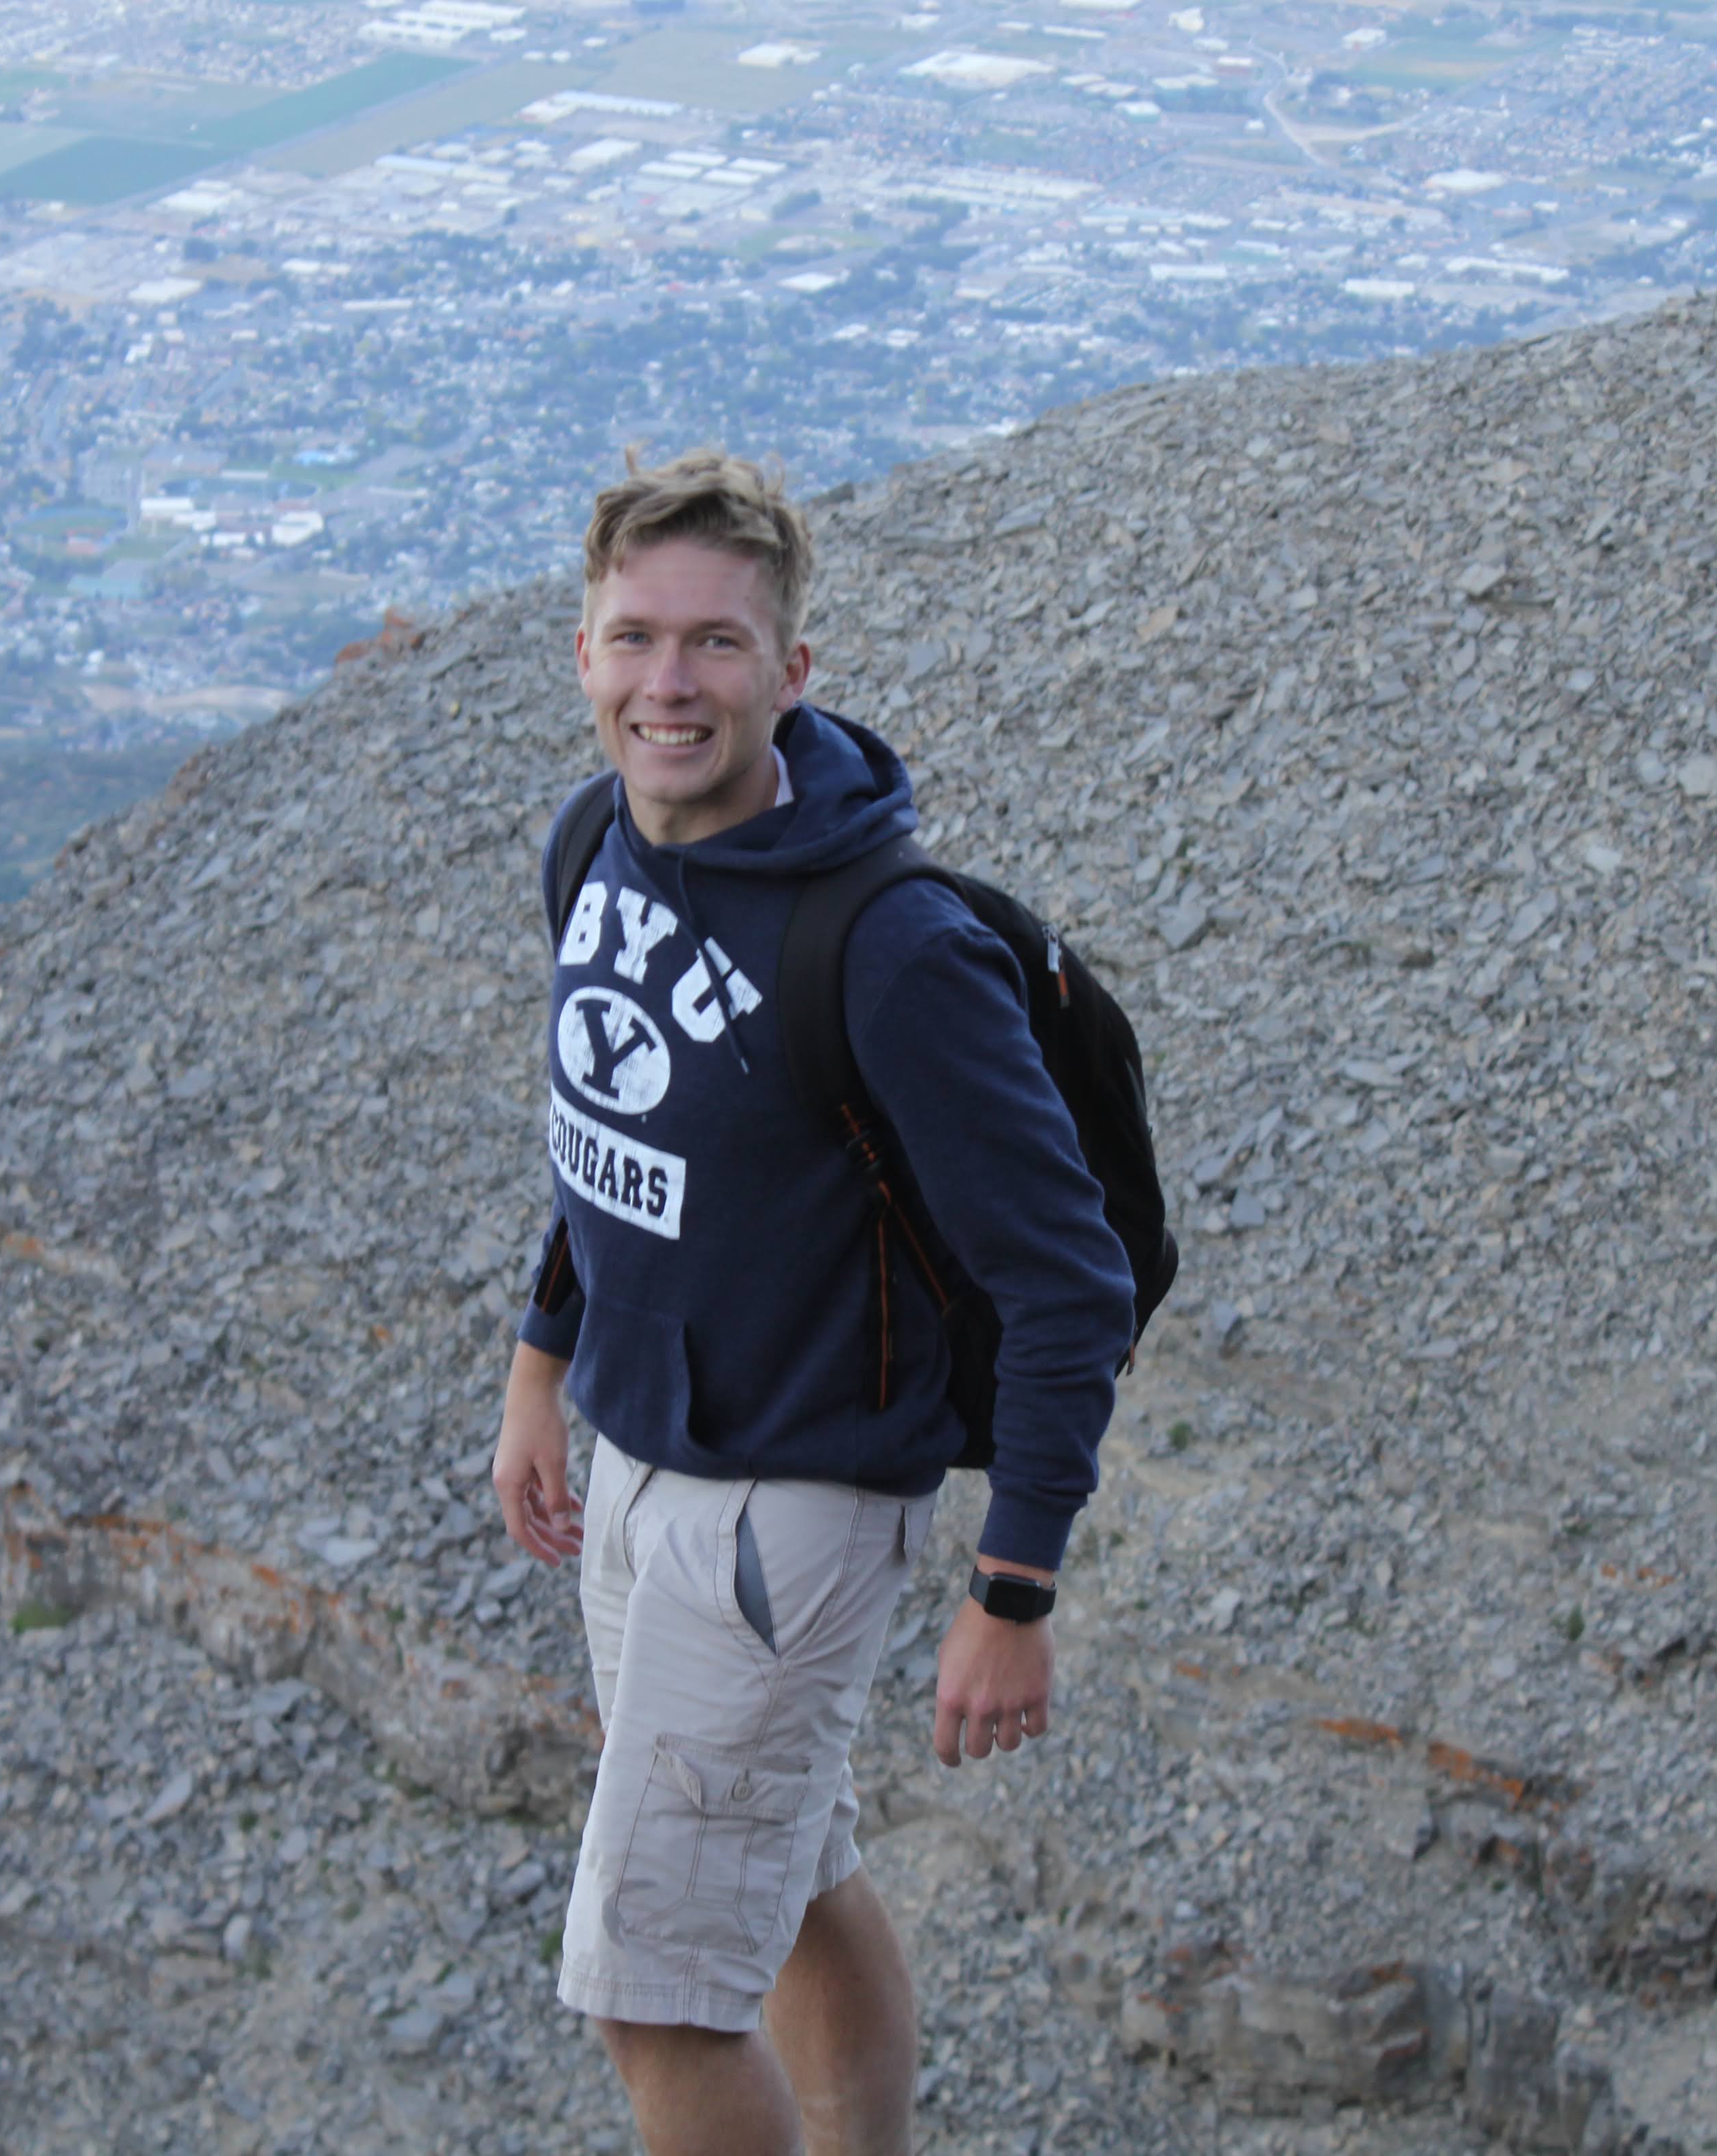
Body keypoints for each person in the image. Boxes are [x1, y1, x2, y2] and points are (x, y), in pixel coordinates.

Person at [491, 448, 1137, 2156]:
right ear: (583, 654)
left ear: (792, 670)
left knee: (657, 1997)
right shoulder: (592, 843)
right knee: (789, 1873)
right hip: (639, 1462)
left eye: (716, 643)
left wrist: (1017, 1581)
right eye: (637, 638)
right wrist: (542, 1361)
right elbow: (611, 1130)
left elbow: (1067, 1278)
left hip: (788, 1512)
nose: (670, 683)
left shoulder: (891, 947)